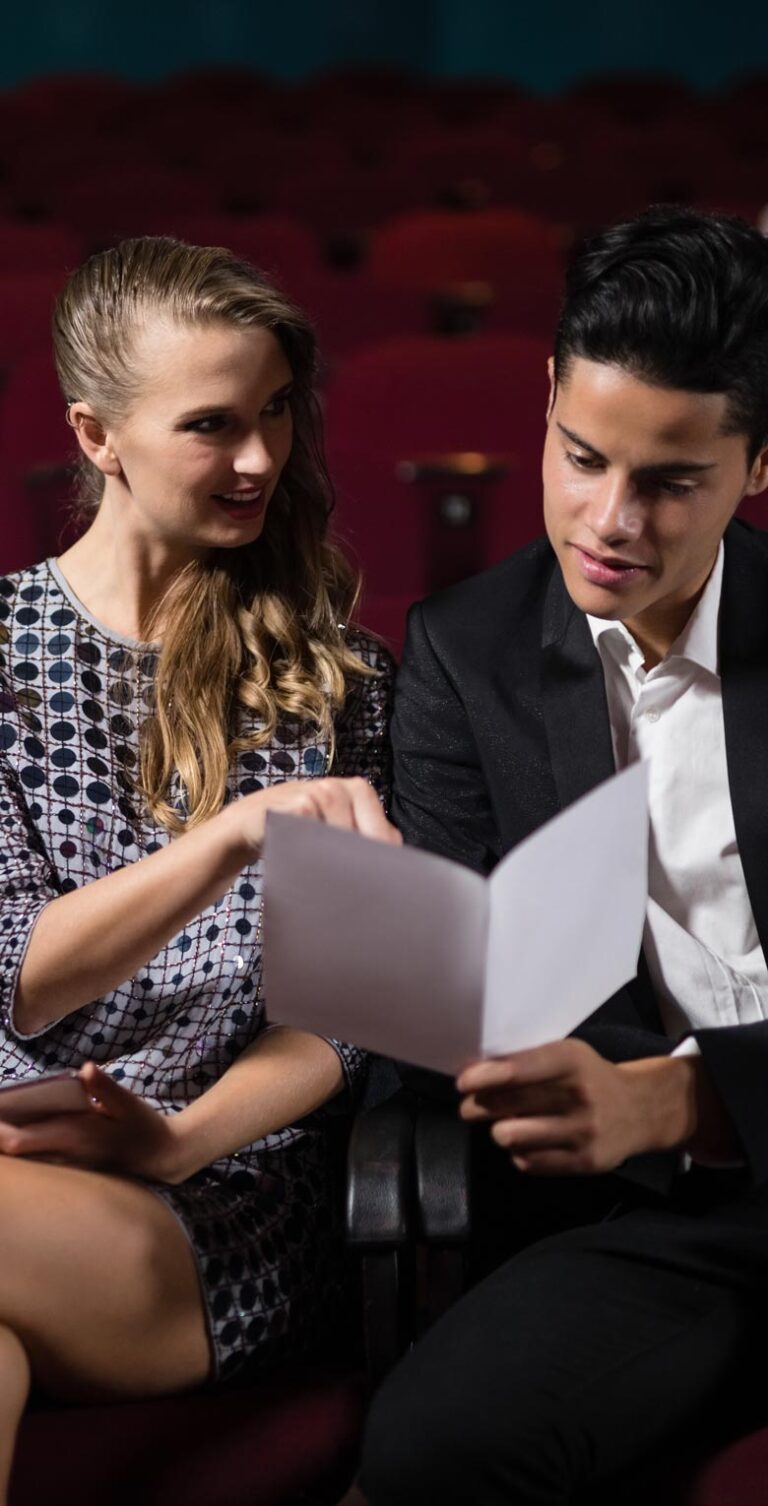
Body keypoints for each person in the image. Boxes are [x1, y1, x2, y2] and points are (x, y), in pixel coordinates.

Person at [356, 206, 768, 1505]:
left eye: (671, 480)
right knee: (429, 1453)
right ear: (542, 398)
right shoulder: (463, 654)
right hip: (666, 1221)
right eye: (581, 454)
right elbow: (474, 990)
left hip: (694, 1130)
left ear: (758, 466)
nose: (609, 518)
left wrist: (694, 1099)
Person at [0, 236, 397, 1503]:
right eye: (214, 425)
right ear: (97, 435)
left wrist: (175, 1142)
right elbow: (19, 980)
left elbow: (349, 1022)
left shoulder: (341, 684)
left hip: (216, 1203)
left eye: (278, 412)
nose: (261, 460)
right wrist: (227, 837)